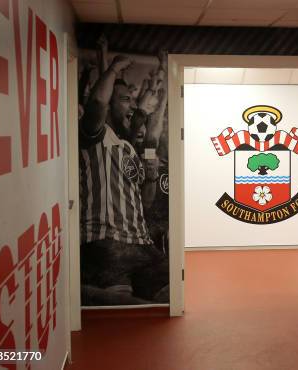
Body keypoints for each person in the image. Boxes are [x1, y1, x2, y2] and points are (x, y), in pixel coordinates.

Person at [79, 47, 168, 305]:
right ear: (109, 106)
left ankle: (87, 293)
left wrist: (150, 177)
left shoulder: (127, 145)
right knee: (126, 315)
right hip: (106, 243)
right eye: (125, 99)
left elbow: (147, 201)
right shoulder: (94, 134)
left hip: (141, 245)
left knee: (175, 297)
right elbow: (96, 103)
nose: (133, 104)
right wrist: (113, 67)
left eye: (131, 99)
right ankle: (84, 292)